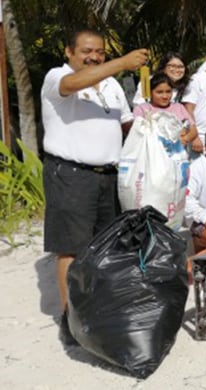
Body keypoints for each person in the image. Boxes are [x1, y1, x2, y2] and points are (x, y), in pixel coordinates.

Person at [41, 29, 148, 344]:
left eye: (99, 51)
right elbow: (72, 84)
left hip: (109, 176)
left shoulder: (112, 85)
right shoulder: (57, 76)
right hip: (71, 174)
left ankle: (99, 309)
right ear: (69, 52)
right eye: (87, 50)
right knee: (71, 248)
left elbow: (128, 124)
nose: (94, 56)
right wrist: (122, 63)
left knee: (106, 247)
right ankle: (69, 319)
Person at [133, 71, 198, 147]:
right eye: (159, 92)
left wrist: (184, 140)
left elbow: (193, 130)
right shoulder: (142, 109)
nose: (165, 96)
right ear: (150, 92)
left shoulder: (179, 107)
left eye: (168, 92)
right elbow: (138, 133)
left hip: (177, 154)